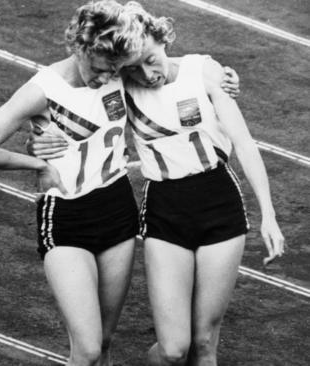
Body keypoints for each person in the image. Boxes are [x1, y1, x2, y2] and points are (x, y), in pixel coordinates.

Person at [27, 3, 285, 365]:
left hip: (220, 203)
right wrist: (38, 140)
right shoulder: (120, 84)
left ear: (165, 40)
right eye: (134, 66)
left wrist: (268, 215)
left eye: (151, 59)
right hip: (165, 208)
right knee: (173, 349)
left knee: (205, 342)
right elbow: (75, 104)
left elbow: (244, 143)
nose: (148, 74)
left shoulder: (204, 71)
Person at [0, 2, 147, 365]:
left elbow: (160, 51)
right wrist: (36, 162)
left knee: (103, 343)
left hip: (118, 210)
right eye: (101, 69)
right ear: (81, 47)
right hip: (66, 216)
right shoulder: (42, 90)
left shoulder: (119, 64)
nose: (107, 78)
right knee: (87, 347)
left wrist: (220, 75)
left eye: (115, 71)